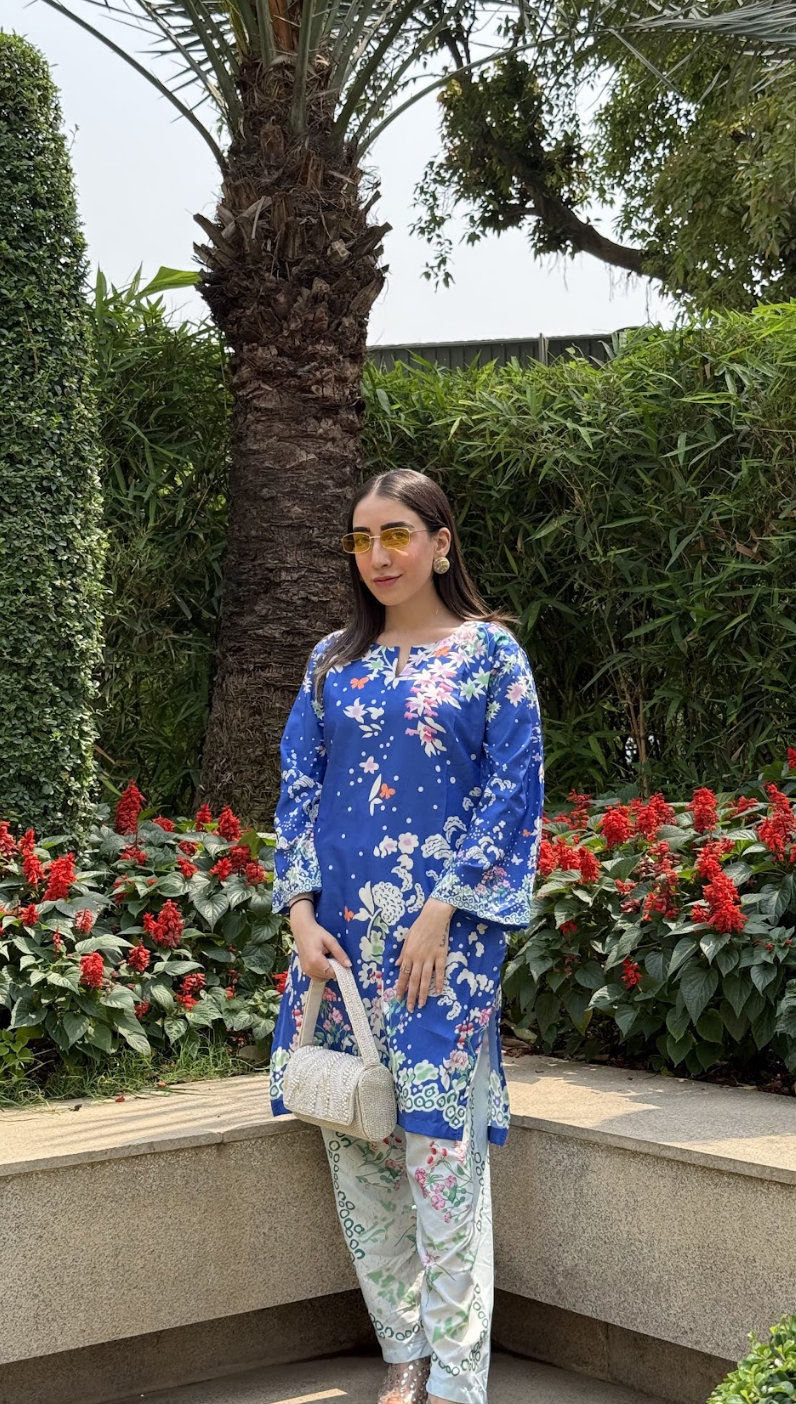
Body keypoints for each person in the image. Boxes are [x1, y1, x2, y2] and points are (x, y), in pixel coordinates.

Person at [268, 468, 544, 1404]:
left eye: (396, 535)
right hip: (338, 949)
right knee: (357, 1143)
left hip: (445, 950)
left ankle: (460, 1378)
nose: (378, 556)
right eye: (362, 539)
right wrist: (300, 915)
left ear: (440, 542)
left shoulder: (490, 654)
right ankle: (404, 1353)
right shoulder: (331, 661)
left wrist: (443, 911)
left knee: (439, 1153)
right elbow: (298, 789)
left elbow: (513, 794)